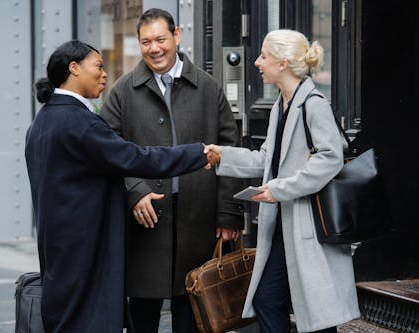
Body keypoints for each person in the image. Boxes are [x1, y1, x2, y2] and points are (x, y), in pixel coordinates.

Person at [25, 40, 211, 332]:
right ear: (74, 69)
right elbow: (136, 158)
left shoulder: (43, 120)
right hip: (87, 251)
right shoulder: (78, 122)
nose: (104, 74)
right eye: (97, 66)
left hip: (60, 248)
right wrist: (199, 153)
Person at [204, 29, 360, 332]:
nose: (258, 62)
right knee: (267, 300)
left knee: (318, 315)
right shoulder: (282, 104)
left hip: (309, 227)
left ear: (283, 63)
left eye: (264, 56)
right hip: (283, 226)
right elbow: (267, 159)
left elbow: (330, 159)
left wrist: (278, 190)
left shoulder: (313, 103)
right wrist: (223, 155)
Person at [100, 8, 244, 333]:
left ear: (177, 36)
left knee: (192, 317)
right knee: (142, 319)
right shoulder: (123, 92)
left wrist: (229, 215)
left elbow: (230, 151)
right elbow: (107, 152)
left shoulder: (208, 88)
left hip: (199, 220)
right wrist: (134, 191)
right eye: (146, 41)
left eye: (161, 39)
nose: (154, 48)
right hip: (144, 226)